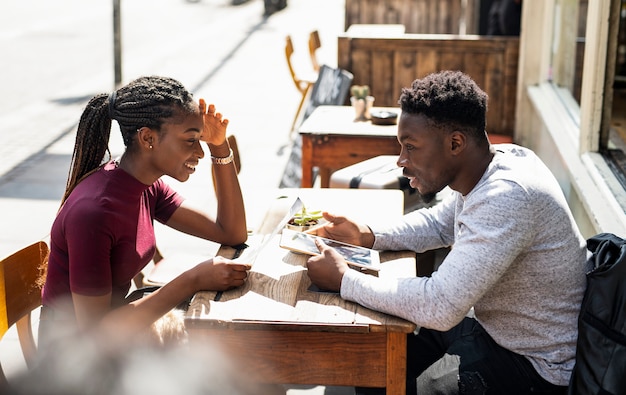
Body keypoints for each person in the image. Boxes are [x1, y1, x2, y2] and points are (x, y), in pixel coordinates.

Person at [306, 70, 587, 394]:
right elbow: (439, 224)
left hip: (535, 366)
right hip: (494, 329)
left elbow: (439, 305)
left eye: (411, 147)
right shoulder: (497, 163)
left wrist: (344, 280)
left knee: (396, 381)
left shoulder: (507, 195)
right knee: (376, 363)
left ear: (455, 143)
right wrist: (367, 234)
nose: (401, 160)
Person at [40, 75, 251, 348]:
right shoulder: (93, 213)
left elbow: (231, 232)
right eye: (190, 140)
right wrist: (192, 279)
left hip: (119, 335)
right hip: (72, 364)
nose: (199, 152)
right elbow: (95, 336)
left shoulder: (147, 186)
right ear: (148, 138)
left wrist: (219, 145)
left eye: (200, 140)